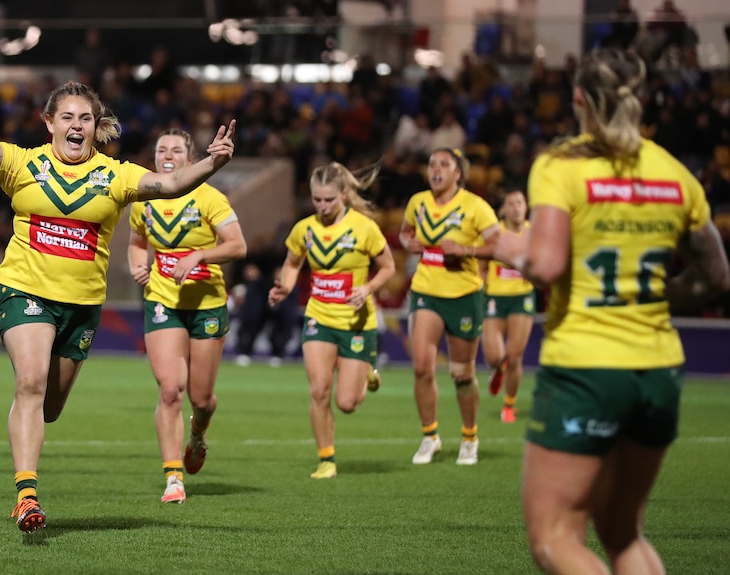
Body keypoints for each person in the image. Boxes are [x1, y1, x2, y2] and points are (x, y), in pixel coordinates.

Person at [0, 45, 236, 532]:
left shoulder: (117, 175)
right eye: (67, 116)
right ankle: (26, 494)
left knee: (51, 406)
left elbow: (169, 187)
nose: (77, 124)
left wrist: (212, 163)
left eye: (86, 116)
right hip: (25, 289)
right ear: (50, 122)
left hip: (81, 307)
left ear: (94, 125)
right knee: (31, 383)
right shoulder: (22, 165)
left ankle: (34, 452)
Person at [492, 48, 730, 574]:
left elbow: (547, 265)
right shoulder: (676, 175)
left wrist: (505, 248)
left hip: (588, 367)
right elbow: (717, 276)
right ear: (641, 100)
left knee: (556, 537)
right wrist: (656, 300)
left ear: (577, 98)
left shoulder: (561, 165)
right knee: (623, 532)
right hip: (660, 368)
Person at [127, 128, 246, 505]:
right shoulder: (144, 199)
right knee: (169, 388)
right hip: (163, 299)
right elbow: (136, 241)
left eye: (176, 150)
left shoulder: (209, 197)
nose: (167, 154)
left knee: (202, 398)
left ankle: (198, 434)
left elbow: (238, 246)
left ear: (189, 159)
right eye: (161, 148)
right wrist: (138, 265)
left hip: (207, 303)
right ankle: (173, 477)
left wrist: (199, 256)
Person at [268, 161, 395, 479]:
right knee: (319, 391)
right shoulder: (305, 229)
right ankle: (326, 459)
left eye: (329, 200)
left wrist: (367, 288)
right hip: (319, 317)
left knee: (347, 403)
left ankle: (365, 370)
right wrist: (284, 286)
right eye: (317, 200)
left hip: (355, 322)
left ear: (344, 195)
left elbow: (389, 268)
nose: (322, 206)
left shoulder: (364, 228)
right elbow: (293, 263)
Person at [399, 148, 500, 466]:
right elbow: (404, 232)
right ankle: (430, 436)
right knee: (421, 368)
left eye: (444, 164)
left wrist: (466, 249)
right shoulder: (418, 202)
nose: (436, 169)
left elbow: (499, 245)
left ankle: (469, 437)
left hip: (464, 295)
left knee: (462, 374)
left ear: (458, 173)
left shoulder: (475, 206)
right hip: (426, 291)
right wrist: (408, 243)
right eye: (431, 164)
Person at [482, 188, 535, 424]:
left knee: (515, 357)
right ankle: (497, 370)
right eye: (511, 203)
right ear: (502, 209)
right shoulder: (495, 235)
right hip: (494, 297)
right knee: (495, 356)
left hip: (522, 298)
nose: (516, 207)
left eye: (520, 202)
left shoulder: (534, 234)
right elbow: (481, 264)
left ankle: (509, 406)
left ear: (526, 206)